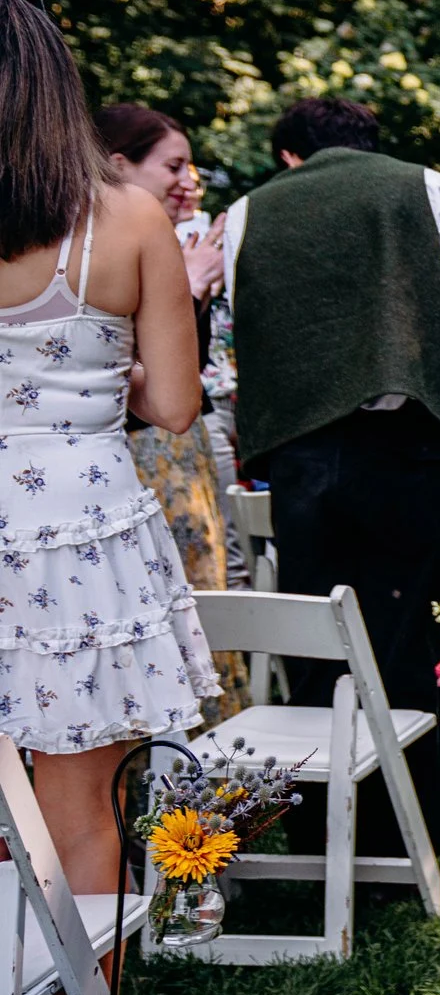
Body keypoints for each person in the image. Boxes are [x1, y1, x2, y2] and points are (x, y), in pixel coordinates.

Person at [0, 0, 219, 995]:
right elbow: (179, 405)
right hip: (77, 535)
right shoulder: (129, 221)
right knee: (80, 810)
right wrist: (96, 386)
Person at [224, 96, 440, 854]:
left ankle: (326, 838)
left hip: (303, 460)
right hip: (417, 450)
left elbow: (244, 331)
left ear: (292, 154)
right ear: (372, 141)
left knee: (322, 643)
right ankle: (416, 839)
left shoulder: (250, 211)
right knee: (426, 639)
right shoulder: (431, 189)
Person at [92, 107, 236, 707]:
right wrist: (191, 285)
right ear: (120, 163)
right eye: (173, 165)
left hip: (179, 441)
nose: (188, 180)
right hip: (138, 448)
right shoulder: (106, 241)